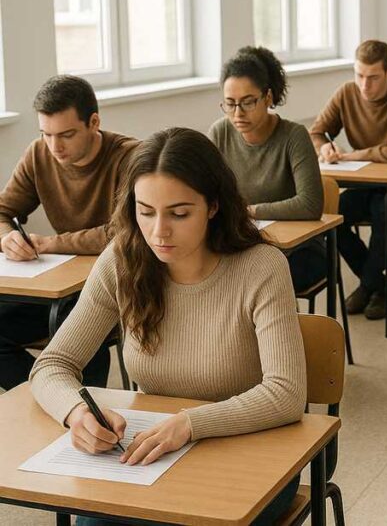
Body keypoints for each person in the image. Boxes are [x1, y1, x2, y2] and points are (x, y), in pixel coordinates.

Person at [29, 128, 306, 525]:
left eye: (179, 213)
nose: (159, 231)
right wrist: (76, 413)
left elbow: (287, 393)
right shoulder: (122, 261)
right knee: (92, 520)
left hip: (252, 455)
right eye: (145, 211)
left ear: (212, 206)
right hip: (154, 456)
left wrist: (191, 425)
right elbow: (51, 365)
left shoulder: (261, 268)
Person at [0, 75, 137, 390]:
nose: (54, 146)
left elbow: (125, 231)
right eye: (46, 134)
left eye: (66, 134)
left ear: (94, 122)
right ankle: (46, 395)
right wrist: (7, 236)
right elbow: (3, 210)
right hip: (62, 287)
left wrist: (50, 243)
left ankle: (83, 407)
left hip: (119, 284)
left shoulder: (130, 157)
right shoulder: (38, 154)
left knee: (79, 326)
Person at [309, 39, 387, 320]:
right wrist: (324, 147)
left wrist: (355, 155)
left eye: (373, 77)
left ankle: (370, 286)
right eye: (359, 75)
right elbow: (316, 132)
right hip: (364, 183)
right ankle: (377, 285)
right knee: (331, 216)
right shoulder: (346, 93)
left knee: (384, 210)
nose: (364, 85)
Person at [209, 46, 326, 293]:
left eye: (248, 102)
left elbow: (310, 204)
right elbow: (204, 192)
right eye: (230, 104)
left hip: (298, 250)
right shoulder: (220, 133)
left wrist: (249, 211)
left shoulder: (294, 136)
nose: (238, 113)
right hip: (241, 243)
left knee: (253, 280)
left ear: (268, 98)